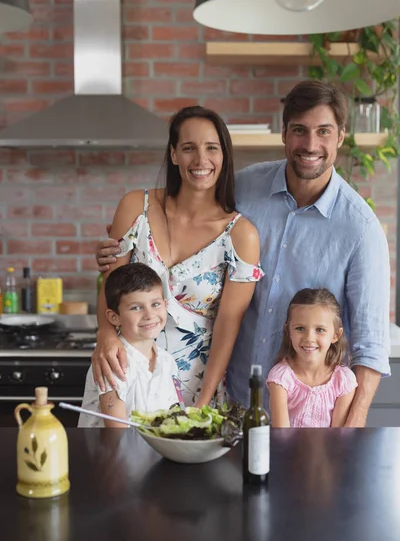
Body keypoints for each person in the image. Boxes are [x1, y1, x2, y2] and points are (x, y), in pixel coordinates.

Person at [94, 80, 390, 426]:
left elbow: (370, 348)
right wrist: (114, 254)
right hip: (233, 402)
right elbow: (191, 205)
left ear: (341, 136)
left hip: (304, 418)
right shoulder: (245, 188)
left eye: (323, 131)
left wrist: (347, 436)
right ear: (284, 134)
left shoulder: (360, 229)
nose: (310, 144)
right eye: (299, 130)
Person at [92, 105, 263, 407]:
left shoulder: (241, 236)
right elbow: (111, 284)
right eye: (188, 148)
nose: (201, 160)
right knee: (113, 454)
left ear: (224, 155)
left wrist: (203, 402)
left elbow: (227, 327)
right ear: (173, 155)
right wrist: (105, 335)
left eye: (212, 148)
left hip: (194, 388)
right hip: (123, 375)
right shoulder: (135, 208)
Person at [78, 263, 179, 427]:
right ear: (113, 317)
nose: (149, 315)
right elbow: (116, 434)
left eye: (155, 304)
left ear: (165, 305)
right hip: (113, 451)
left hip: (151, 452)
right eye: (136, 307)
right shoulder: (114, 362)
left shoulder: (168, 362)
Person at [267, 288, 358, 427]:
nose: (309, 338)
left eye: (320, 330)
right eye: (300, 328)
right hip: (289, 449)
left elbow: (338, 437)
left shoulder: (344, 380)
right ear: (288, 331)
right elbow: (282, 436)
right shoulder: (281, 378)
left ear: (336, 335)